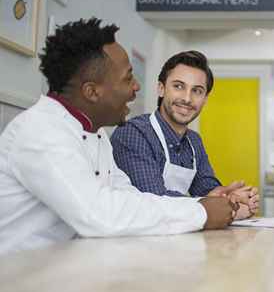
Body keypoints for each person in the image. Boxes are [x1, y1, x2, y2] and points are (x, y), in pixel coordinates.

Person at [0, 18, 236, 255]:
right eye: (127, 78)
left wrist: (203, 205)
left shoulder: (96, 133)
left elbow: (130, 197)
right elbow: (98, 214)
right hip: (20, 277)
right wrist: (202, 212)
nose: (136, 87)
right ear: (92, 92)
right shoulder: (42, 132)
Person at [110, 51, 259, 219]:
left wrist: (232, 197)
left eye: (197, 91)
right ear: (161, 89)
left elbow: (207, 189)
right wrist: (222, 208)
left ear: (205, 99)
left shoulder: (194, 141)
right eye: (178, 86)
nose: (187, 98)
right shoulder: (134, 133)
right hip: (134, 240)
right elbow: (155, 200)